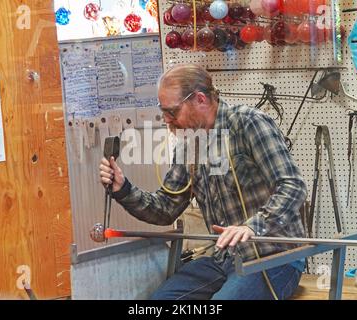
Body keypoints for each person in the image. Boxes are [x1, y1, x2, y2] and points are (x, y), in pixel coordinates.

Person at [99, 64, 307, 300]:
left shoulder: (248, 123)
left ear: (200, 99)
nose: (167, 120)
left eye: (172, 111)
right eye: (163, 111)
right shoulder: (189, 145)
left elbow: (293, 185)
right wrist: (123, 188)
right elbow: (166, 209)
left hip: (274, 259)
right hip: (224, 259)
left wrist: (251, 227)